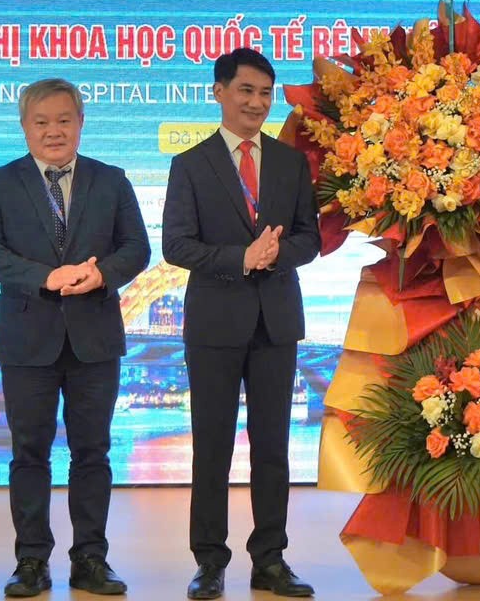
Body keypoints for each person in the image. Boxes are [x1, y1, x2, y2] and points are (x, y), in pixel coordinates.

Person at [0, 78, 150, 597]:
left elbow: (136, 248)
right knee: (29, 453)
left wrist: (102, 275)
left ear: (81, 123)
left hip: (95, 337)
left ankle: (91, 558)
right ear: (25, 127)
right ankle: (31, 561)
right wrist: (45, 277)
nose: (54, 131)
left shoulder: (111, 180)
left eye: (64, 120)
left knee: (93, 453)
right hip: (27, 338)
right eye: (42, 122)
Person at [162, 48, 321, 599]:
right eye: (245, 90)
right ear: (219, 92)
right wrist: (241, 258)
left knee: (273, 447)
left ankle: (270, 559)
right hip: (214, 324)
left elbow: (309, 238)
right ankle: (209, 561)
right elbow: (176, 244)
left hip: (276, 323)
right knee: (212, 447)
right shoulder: (191, 164)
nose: (256, 102)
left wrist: (275, 255)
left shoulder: (290, 163)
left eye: (265, 93)